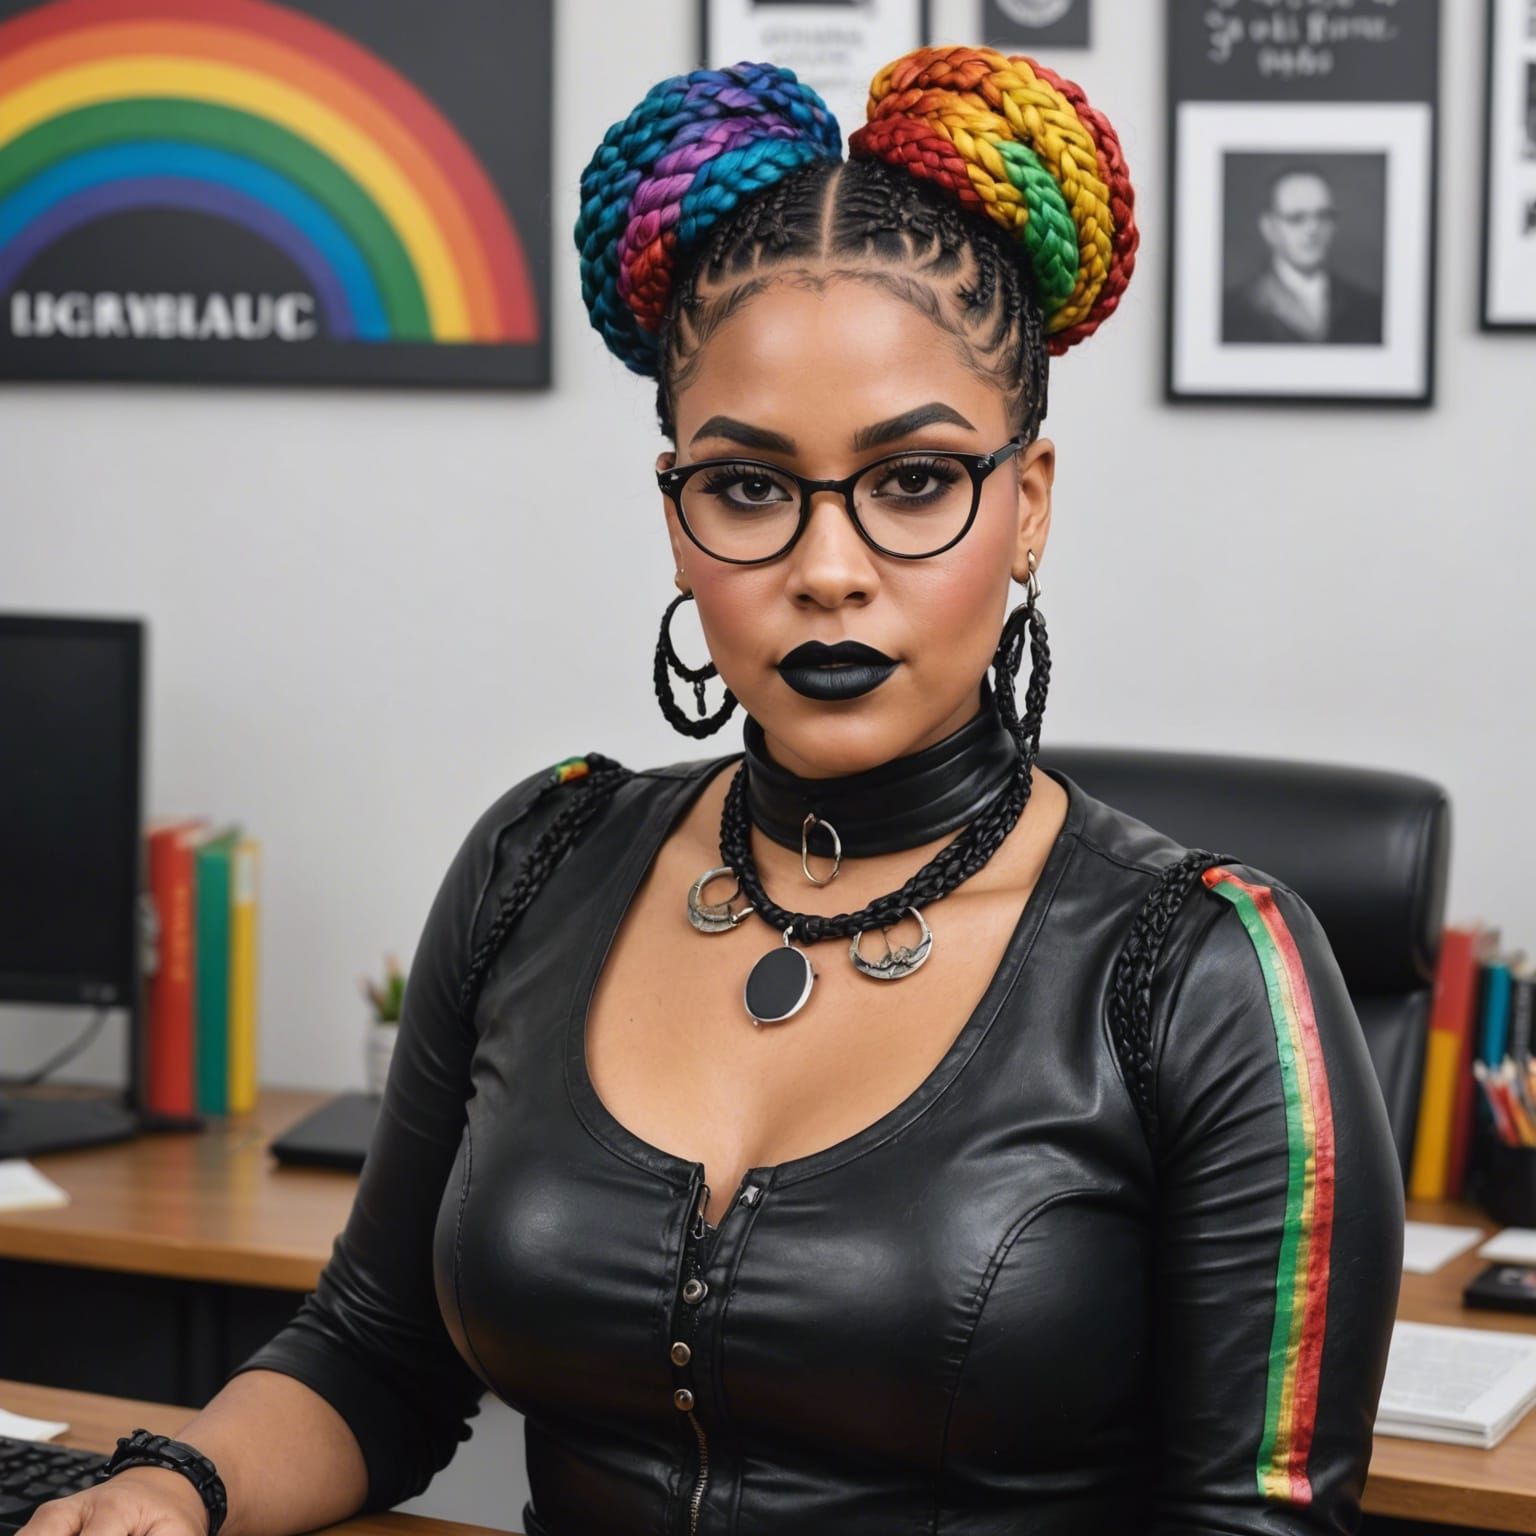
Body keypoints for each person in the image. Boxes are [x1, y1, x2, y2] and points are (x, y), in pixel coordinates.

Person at [24, 44, 1404, 1536]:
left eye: (916, 481)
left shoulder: (1203, 971)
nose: (824, 568)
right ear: (676, 513)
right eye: (748, 486)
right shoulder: (537, 863)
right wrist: (181, 1489)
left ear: (1030, 505)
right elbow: (373, 1356)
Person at [1222, 165, 1384, 344]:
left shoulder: (1370, 309)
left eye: (1323, 216)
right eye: (1296, 218)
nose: (1313, 229)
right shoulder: (1231, 311)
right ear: (1269, 228)